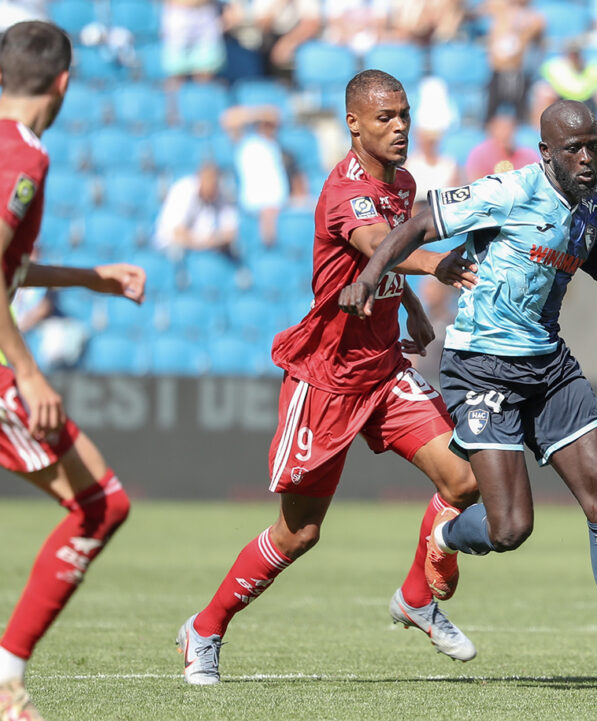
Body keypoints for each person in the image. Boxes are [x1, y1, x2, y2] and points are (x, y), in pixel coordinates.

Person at [338, 99, 597, 696]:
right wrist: (367, 275)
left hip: (549, 367)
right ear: (546, 153)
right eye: (574, 149)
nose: (587, 158)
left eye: (593, 145)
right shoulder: (507, 192)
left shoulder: (594, 216)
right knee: (511, 528)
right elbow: (420, 223)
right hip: (482, 367)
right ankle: (444, 536)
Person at [176, 69, 482, 686]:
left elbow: (381, 263)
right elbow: (378, 244)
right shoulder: (344, 191)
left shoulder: (405, 181)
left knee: (465, 478)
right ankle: (205, 628)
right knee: (299, 533)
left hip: (384, 372)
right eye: (384, 118)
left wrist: (413, 309)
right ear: (353, 124)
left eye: (403, 115)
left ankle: (418, 596)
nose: (399, 128)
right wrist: (436, 266)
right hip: (327, 381)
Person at [0, 21, 148, 720]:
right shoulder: (23, 158)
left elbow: (9, 265)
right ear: (63, 83)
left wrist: (88, 278)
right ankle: (3, 682)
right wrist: (28, 371)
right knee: (100, 503)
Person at [220, 104, 289, 246]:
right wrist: (257, 115)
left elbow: (277, 115)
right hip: (254, 207)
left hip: (278, 206)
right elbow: (227, 119)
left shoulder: (274, 144)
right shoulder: (245, 143)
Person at [533, 40, 597, 137]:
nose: (574, 57)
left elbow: (587, 89)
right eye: (571, 54)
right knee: (544, 92)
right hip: (562, 103)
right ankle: (540, 136)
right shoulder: (554, 68)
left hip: (590, 103)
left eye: (576, 54)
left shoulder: (595, 68)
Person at [152, 162, 239, 258]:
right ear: (200, 179)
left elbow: (231, 232)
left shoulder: (219, 193)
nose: (212, 186)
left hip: (204, 250)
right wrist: (207, 242)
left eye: (214, 182)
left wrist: (210, 241)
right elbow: (176, 233)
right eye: (209, 180)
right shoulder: (183, 190)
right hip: (170, 248)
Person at [464, 111, 538, 181]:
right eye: (502, 129)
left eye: (509, 128)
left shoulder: (527, 155)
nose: (506, 133)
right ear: (492, 130)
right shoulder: (480, 154)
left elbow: (537, 179)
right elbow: (475, 184)